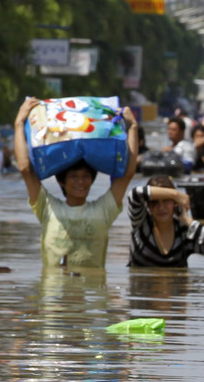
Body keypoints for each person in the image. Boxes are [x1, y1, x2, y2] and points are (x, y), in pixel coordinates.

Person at [13, 96, 139, 268]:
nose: (81, 181)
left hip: (94, 293)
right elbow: (25, 169)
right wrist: (19, 122)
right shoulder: (48, 209)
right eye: (74, 177)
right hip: (52, 293)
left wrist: (133, 127)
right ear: (61, 181)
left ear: (92, 180)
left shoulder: (103, 210)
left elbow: (127, 174)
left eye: (86, 176)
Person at [127, 175, 204, 267]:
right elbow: (134, 194)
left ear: (175, 203)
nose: (161, 207)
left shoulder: (184, 232)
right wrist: (175, 194)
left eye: (166, 200)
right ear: (149, 206)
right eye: (155, 202)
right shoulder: (141, 223)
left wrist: (188, 221)